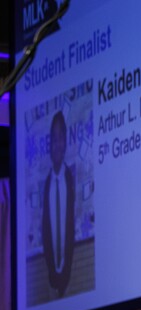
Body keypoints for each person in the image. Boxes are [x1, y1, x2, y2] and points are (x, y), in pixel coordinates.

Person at [42, 110, 76, 297]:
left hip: (67, 273)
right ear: (50, 144)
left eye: (61, 138)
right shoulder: (47, 184)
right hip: (51, 275)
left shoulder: (69, 179)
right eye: (54, 139)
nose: (58, 144)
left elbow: (70, 228)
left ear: (65, 142)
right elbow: (46, 229)